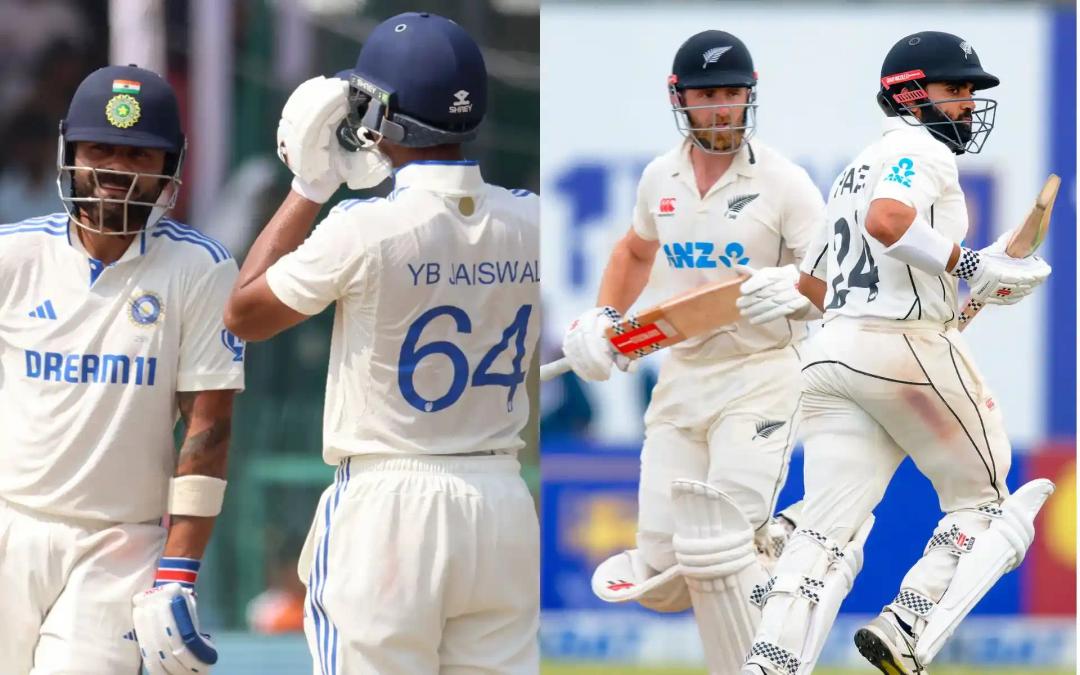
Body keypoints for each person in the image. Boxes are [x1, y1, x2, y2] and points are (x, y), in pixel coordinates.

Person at [224, 12, 540, 674]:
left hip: (390, 505)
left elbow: (244, 314)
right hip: (501, 502)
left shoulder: (363, 227)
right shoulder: (532, 218)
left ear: (382, 115)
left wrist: (308, 188)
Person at [736, 31, 1053, 675]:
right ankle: (908, 622)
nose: (967, 104)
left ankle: (768, 661)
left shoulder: (855, 168)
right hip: (901, 346)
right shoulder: (921, 149)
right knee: (988, 502)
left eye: (969, 91)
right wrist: (972, 266)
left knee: (825, 531)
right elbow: (887, 221)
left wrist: (972, 274)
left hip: (832, 355)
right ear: (910, 94)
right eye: (955, 89)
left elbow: (818, 288)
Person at [559, 30, 825, 674]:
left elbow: (833, 281)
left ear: (750, 95)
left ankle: (768, 640)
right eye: (707, 96)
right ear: (679, 98)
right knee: (660, 569)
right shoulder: (661, 177)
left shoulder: (785, 183)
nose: (721, 108)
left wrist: (794, 290)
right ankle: (780, 558)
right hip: (683, 373)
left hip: (762, 375)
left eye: (732, 93)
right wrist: (604, 317)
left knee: (720, 543)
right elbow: (634, 251)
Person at [0, 64, 244, 674]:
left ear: (169, 167)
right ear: (70, 153)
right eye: (100, 150)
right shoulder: (14, 255)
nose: (115, 170)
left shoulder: (201, 268)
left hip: (120, 548)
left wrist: (178, 575)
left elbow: (208, 430)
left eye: (139, 155)